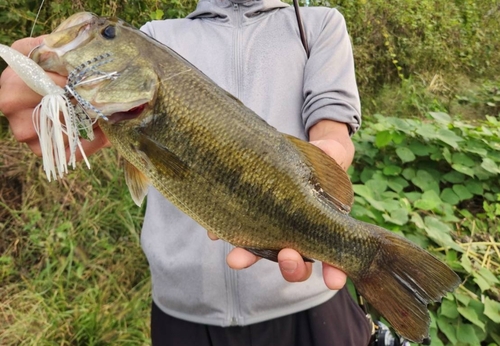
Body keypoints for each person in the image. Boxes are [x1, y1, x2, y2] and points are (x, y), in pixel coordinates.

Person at [0, 0, 372, 344]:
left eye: (107, 33)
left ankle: (373, 258)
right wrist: (50, 100)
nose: (99, 32)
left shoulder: (320, 24)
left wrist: (332, 151)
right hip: (182, 310)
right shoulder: (157, 37)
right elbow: (87, 119)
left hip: (307, 304)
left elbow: (331, 125)